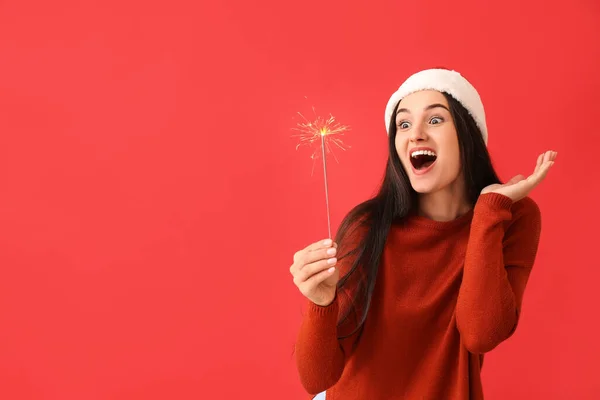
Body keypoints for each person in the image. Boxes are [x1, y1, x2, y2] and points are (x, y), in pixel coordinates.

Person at [289, 68, 556, 399]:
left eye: (435, 120)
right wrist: (320, 304)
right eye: (403, 124)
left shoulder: (508, 217)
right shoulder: (367, 227)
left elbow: (481, 333)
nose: (415, 134)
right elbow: (317, 378)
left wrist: (488, 210)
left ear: (467, 134)